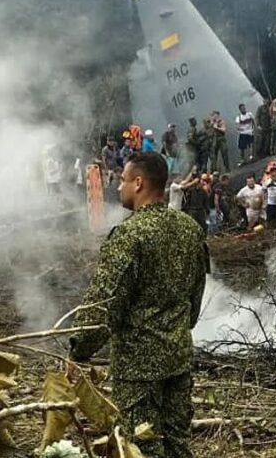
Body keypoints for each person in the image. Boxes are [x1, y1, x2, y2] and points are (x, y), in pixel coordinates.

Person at [69, 151, 208, 458]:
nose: (119, 187)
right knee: (177, 444)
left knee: (140, 446)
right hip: (178, 359)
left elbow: (105, 301)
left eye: (123, 180)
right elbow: (195, 298)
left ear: (139, 183)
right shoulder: (190, 229)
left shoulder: (130, 234)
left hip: (138, 369)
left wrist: (79, 348)